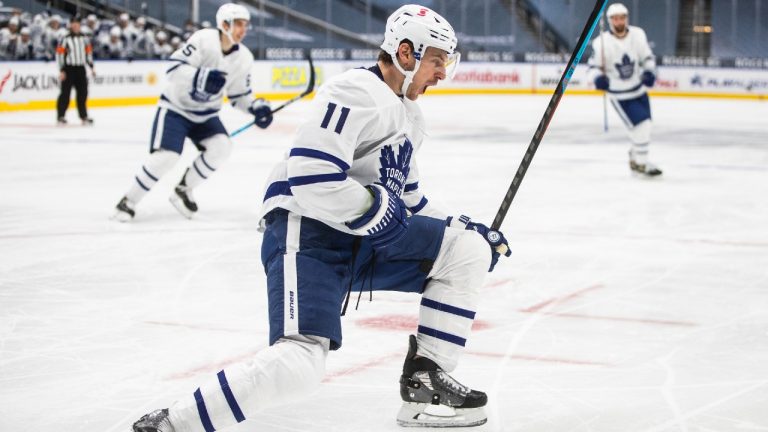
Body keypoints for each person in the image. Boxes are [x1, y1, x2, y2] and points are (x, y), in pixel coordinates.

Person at [131, 4, 511, 432]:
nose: (442, 73)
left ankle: (425, 383)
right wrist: (375, 209)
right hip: (306, 232)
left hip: (361, 237)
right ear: (406, 53)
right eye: (436, 60)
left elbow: (412, 202)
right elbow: (311, 176)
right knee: (300, 364)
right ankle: (173, 423)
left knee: (466, 252)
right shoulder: (355, 91)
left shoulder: (409, 117)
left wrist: (466, 227)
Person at [112, 4, 273, 222]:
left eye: (245, 25)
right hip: (176, 109)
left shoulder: (244, 57)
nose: (243, 30)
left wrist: (256, 107)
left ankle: (183, 190)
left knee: (222, 147)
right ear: (225, 24)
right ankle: (128, 201)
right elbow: (173, 68)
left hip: (206, 115)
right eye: (239, 25)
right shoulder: (203, 40)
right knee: (166, 157)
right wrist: (201, 77)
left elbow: (238, 95)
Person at [588, 2, 662, 177]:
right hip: (620, 95)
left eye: (622, 17)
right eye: (615, 18)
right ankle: (642, 165)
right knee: (641, 126)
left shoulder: (638, 34)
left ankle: (636, 157)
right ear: (610, 21)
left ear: (626, 18)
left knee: (644, 127)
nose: (619, 21)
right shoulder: (601, 43)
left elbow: (647, 57)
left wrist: (650, 72)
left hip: (638, 89)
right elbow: (592, 68)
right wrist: (598, 79)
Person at [56, 15, 95, 125]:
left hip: (80, 68)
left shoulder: (85, 38)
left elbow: (88, 53)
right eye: (73, 23)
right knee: (65, 94)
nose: (75, 25)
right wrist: (62, 70)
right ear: (70, 25)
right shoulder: (65, 38)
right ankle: (61, 116)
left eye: (77, 23)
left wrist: (91, 66)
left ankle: (84, 116)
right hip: (69, 69)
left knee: (83, 93)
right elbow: (59, 54)